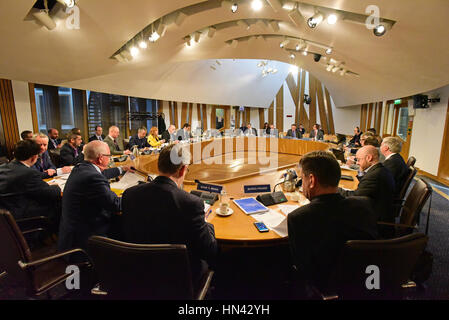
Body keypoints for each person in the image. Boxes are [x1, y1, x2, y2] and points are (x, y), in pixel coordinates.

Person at [121, 144, 218, 288]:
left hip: (140, 273)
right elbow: (209, 251)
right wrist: (206, 223)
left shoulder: (129, 194)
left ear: (159, 165)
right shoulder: (191, 203)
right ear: (183, 169)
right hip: (180, 279)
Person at [288, 151, 378, 291]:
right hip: (367, 280)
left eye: (302, 179)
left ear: (311, 180)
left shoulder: (299, 217)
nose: (302, 184)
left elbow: (302, 267)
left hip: (326, 285)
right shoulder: (364, 205)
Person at [58, 141, 125, 258]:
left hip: (71, 234)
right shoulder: (93, 177)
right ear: (100, 158)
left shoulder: (80, 168)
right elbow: (116, 205)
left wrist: (122, 169)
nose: (110, 159)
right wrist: (133, 196)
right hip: (86, 239)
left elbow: (101, 174)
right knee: (125, 223)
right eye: (109, 156)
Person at [0, 140, 62, 225]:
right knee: (60, 203)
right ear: (34, 157)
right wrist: (56, 186)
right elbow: (53, 193)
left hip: (5, 217)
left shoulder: (2, 167)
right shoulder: (29, 173)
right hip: (21, 217)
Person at [339, 146, 395, 225]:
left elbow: (354, 196)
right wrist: (361, 170)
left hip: (373, 220)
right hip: (376, 210)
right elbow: (364, 184)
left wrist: (333, 188)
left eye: (358, 160)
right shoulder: (378, 169)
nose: (357, 163)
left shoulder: (375, 175)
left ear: (369, 158)